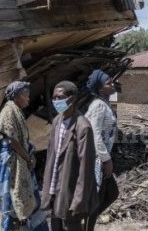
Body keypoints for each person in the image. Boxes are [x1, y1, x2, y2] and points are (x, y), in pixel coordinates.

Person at [0, 81, 49, 231]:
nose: (28, 99)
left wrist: (31, 156)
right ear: (16, 96)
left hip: (20, 161)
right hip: (10, 165)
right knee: (11, 201)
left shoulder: (17, 111)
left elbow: (23, 141)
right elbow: (12, 140)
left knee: (28, 199)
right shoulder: (8, 111)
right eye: (25, 95)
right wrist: (27, 158)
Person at [41, 81, 98, 231]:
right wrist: (47, 190)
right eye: (54, 98)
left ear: (72, 99)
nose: (56, 101)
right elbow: (50, 159)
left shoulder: (82, 127)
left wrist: (79, 200)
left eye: (59, 98)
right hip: (55, 191)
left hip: (71, 194)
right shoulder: (56, 122)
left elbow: (86, 168)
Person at [84, 70, 119, 231]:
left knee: (111, 194)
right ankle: (86, 224)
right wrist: (106, 159)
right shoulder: (98, 105)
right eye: (108, 83)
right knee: (100, 197)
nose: (112, 85)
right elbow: (95, 134)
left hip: (102, 157)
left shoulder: (103, 103)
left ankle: (87, 222)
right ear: (99, 87)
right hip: (98, 159)